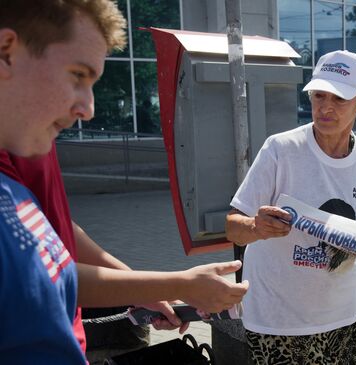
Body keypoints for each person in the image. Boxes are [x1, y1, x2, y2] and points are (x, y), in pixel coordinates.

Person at [0, 1, 248, 363]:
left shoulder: (26, 142)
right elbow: (46, 276)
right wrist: (178, 284)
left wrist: (146, 286)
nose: (88, 109)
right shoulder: (24, 137)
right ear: (7, 51)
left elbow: (53, 250)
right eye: (77, 75)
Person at [225, 50, 356, 364]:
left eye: (339, 99)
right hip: (276, 318)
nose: (326, 108)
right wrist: (255, 227)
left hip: (341, 317)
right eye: (318, 95)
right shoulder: (280, 149)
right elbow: (233, 227)